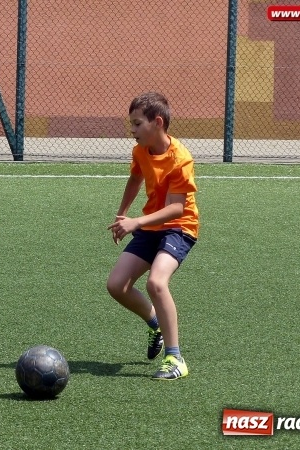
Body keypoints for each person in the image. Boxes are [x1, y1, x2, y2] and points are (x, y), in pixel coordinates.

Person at [106, 91, 199, 381]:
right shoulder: (140, 151)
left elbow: (176, 208)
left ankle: (175, 358)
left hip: (179, 227)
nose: (131, 131)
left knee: (157, 283)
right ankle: (153, 321)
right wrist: (123, 213)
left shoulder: (180, 159)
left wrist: (136, 221)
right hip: (148, 225)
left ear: (157, 122)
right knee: (116, 285)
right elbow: (135, 178)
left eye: (137, 124)